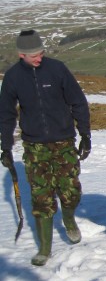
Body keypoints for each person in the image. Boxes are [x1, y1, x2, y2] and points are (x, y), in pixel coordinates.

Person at [0, 29, 91, 265]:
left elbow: (78, 101)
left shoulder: (57, 69)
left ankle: (69, 220)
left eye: (41, 53)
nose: (39, 58)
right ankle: (45, 249)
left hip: (64, 142)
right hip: (34, 146)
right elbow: (6, 114)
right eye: (33, 55)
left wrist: (85, 134)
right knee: (41, 199)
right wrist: (6, 147)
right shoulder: (12, 77)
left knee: (70, 193)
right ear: (21, 55)